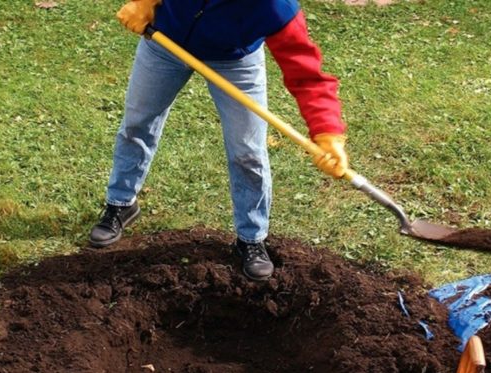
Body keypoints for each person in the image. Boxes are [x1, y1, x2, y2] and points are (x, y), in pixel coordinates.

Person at [89, 0, 349, 281]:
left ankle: (251, 238)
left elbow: (307, 75)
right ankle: (121, 203)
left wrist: (328, 133)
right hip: (164, 43)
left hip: (234, 60)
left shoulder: (275, 6)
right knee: (137, 124)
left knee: (247, 152)